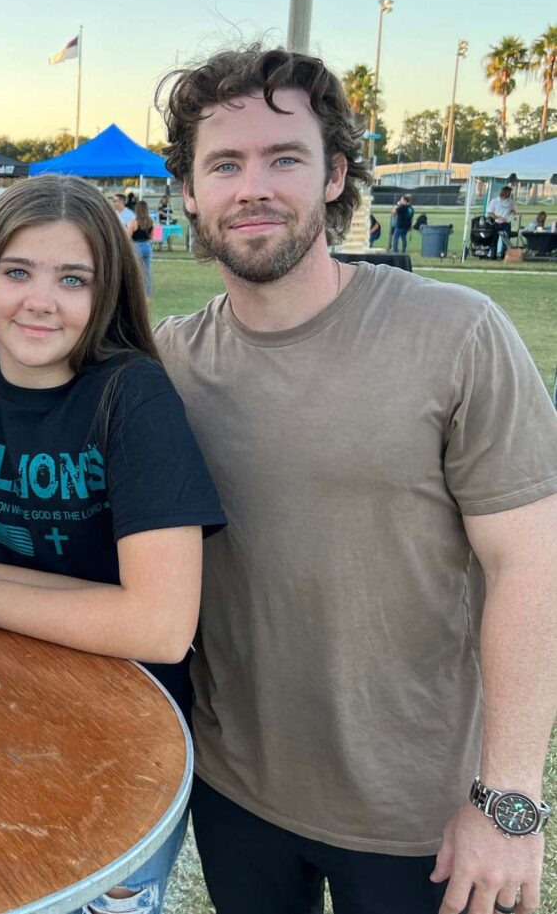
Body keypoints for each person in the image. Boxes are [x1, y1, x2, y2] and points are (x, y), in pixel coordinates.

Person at [154, 45, 557, 914]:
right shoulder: (167, 365)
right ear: (189, 190)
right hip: (234, 792)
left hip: (424, 816)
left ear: (336, 174)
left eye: (284, 158)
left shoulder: (457, 335)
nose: (252, 186)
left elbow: (531, 565)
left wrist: (511, 801)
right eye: (223, 163)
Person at [0, 174, 225, 914]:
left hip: (116, 743)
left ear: (108, 293)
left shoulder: (134, 395)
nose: (39, 300)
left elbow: (160, 626)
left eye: (73, 278)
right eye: (17, 271)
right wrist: (88, 602)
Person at [129, 199, 155, 296]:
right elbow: (152, 236)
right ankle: (147, 294)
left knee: (136, 271)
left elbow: (128, 236)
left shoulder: (134, 222)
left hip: (136, 246)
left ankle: (136, 292)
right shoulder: (150, 221)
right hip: (147, 246)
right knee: (147, 272)